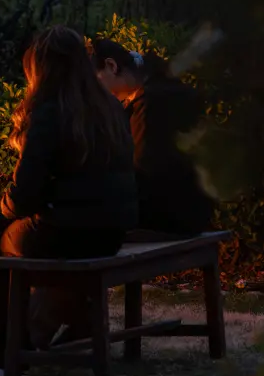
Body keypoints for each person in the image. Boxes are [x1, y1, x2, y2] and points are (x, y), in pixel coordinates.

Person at [0, 26, 138, 376]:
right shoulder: (109, 108)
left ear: (41, 69)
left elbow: (24, 194)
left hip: (68, 233)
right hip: (109, 234)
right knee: (2, 228)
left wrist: (4, 211)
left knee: (4, 243)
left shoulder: (49, 111)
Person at [89, 38, 215, 237]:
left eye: (95, 83)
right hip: (195, 212)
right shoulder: (167, 87)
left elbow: (145, 173)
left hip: (170, 216)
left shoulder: (150, 103)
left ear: (111, 66)